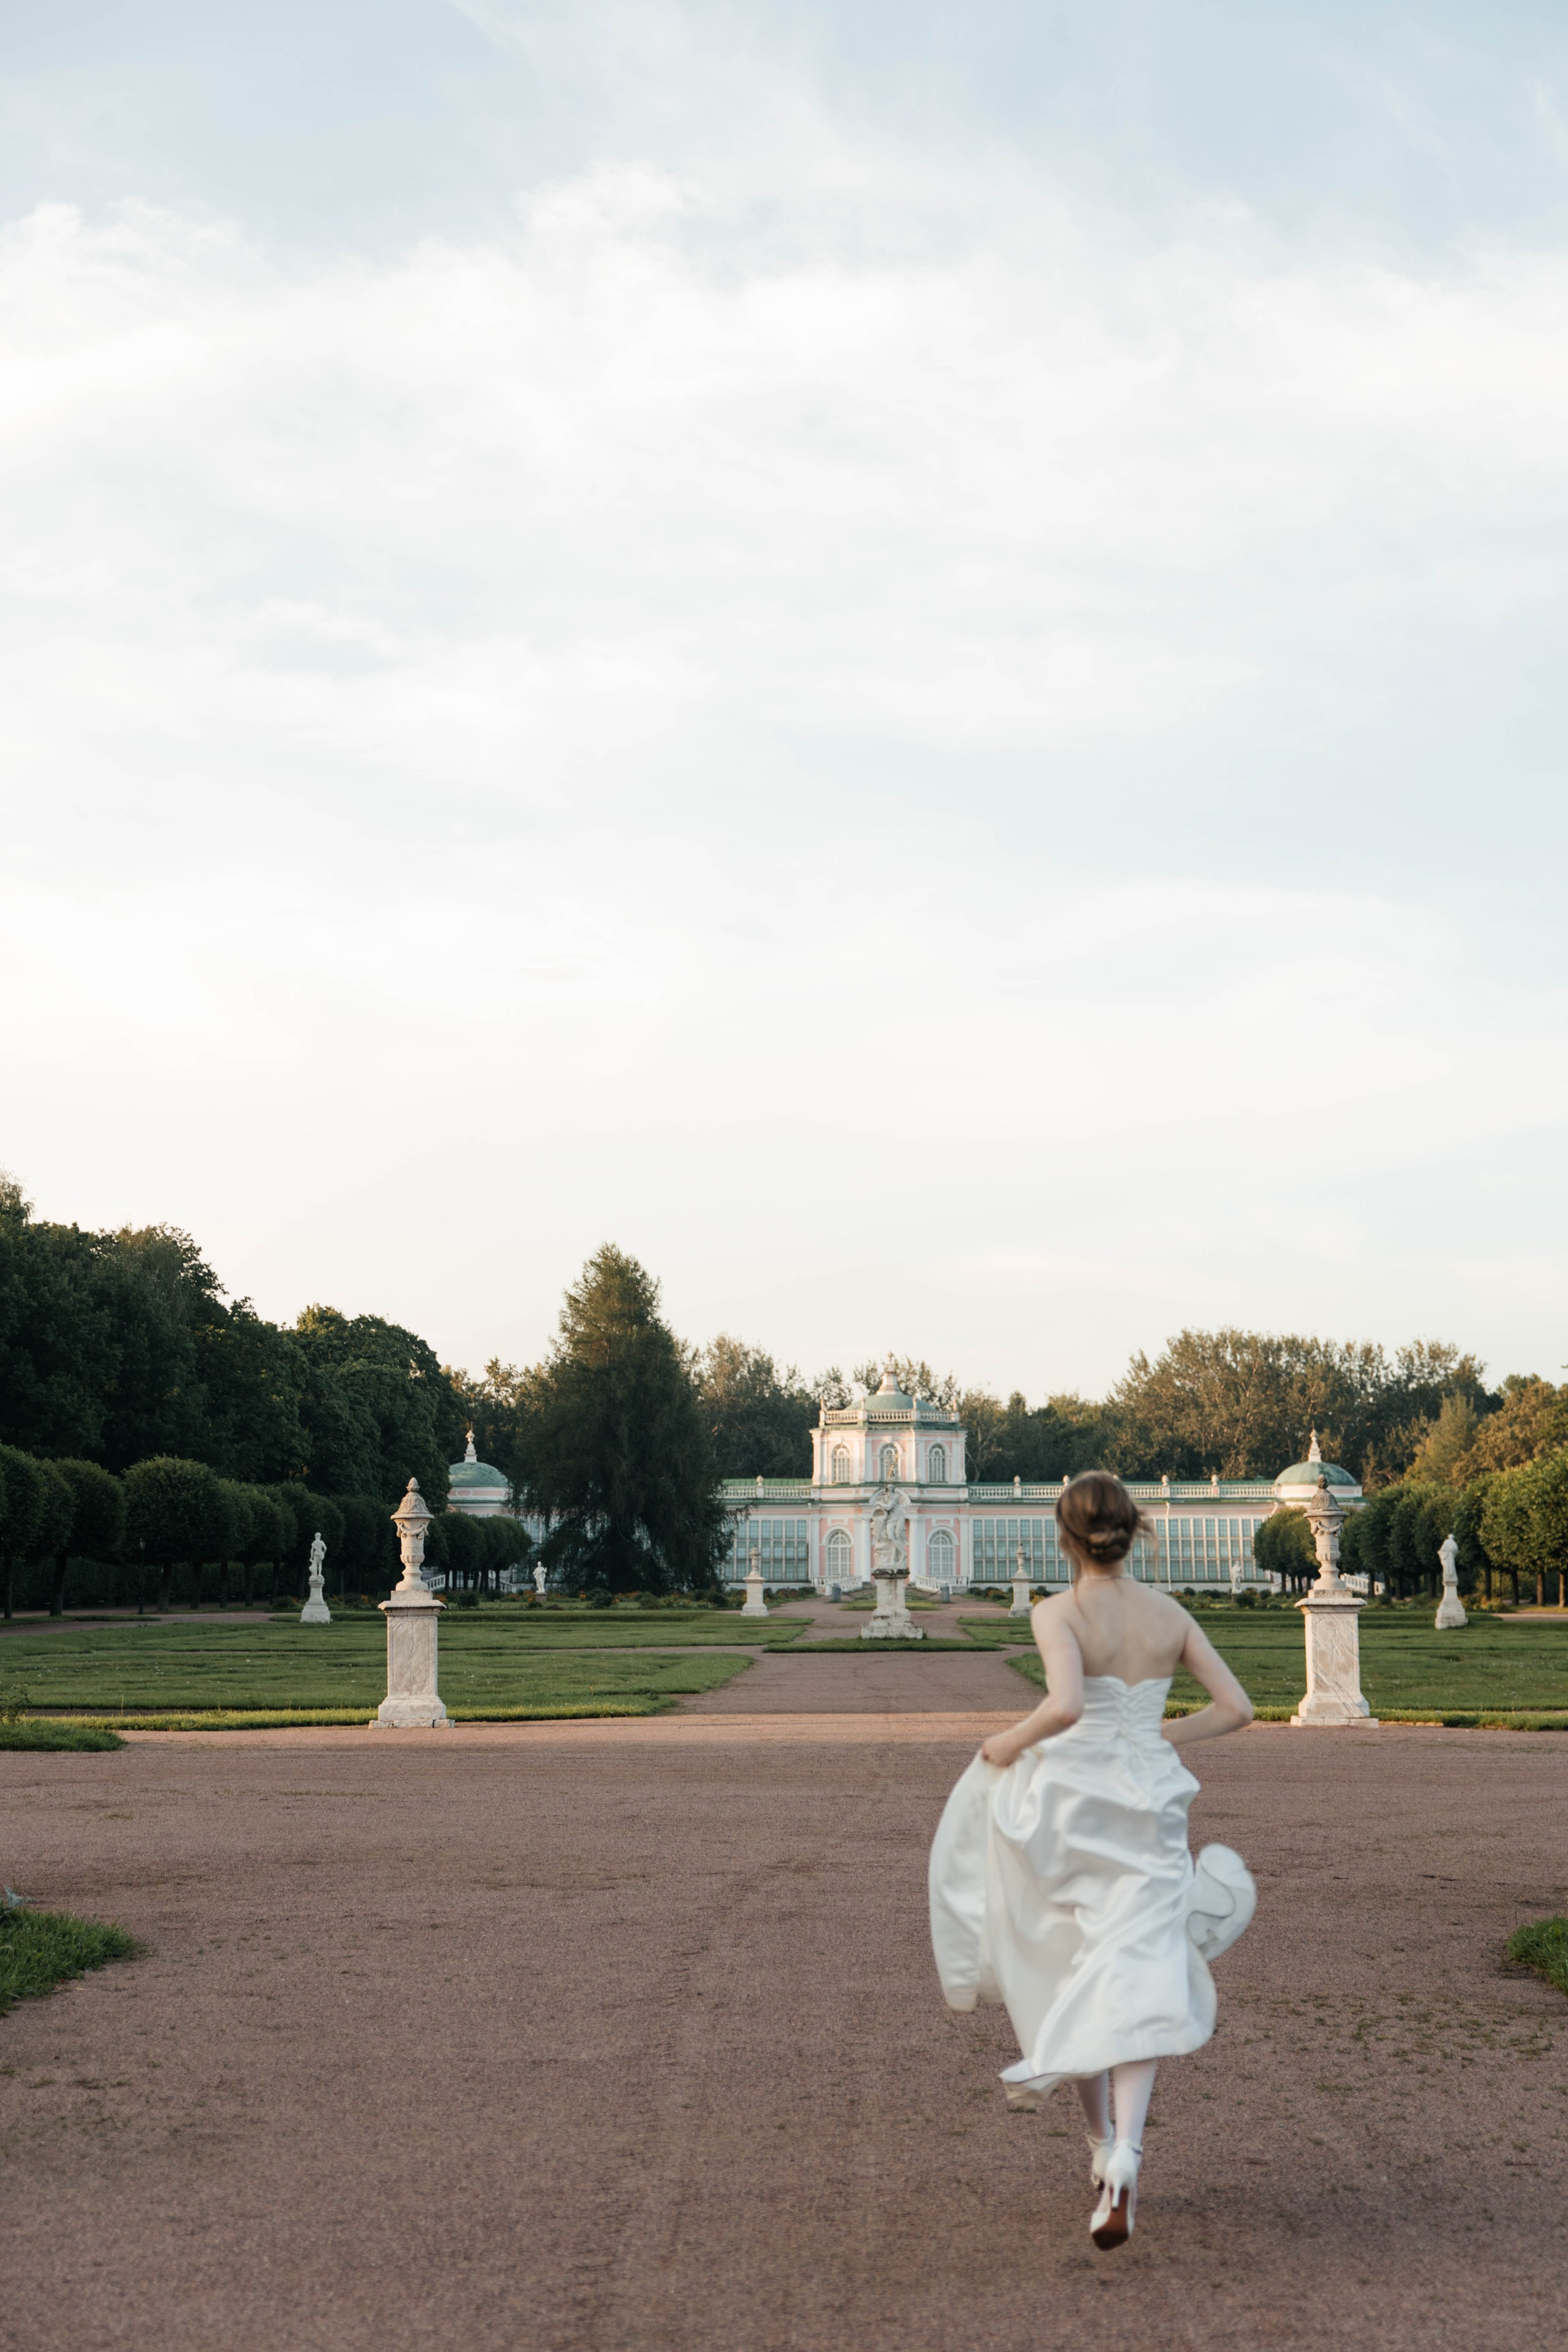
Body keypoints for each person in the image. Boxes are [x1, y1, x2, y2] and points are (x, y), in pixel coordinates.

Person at [928, 1470, 1256, 2250]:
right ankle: (1126, 2156)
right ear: (1134, 1528)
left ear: (1065, 1537)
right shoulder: (1170, 1613)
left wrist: (1004, 1743)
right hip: (1147, 1808)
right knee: (1137, 1966)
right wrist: (1161, 1736)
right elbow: (1237, 1709)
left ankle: (1095, 2144)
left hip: (1077, 1804)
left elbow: (1067, 1707)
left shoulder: (1057, 1612)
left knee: (1071, 1965)